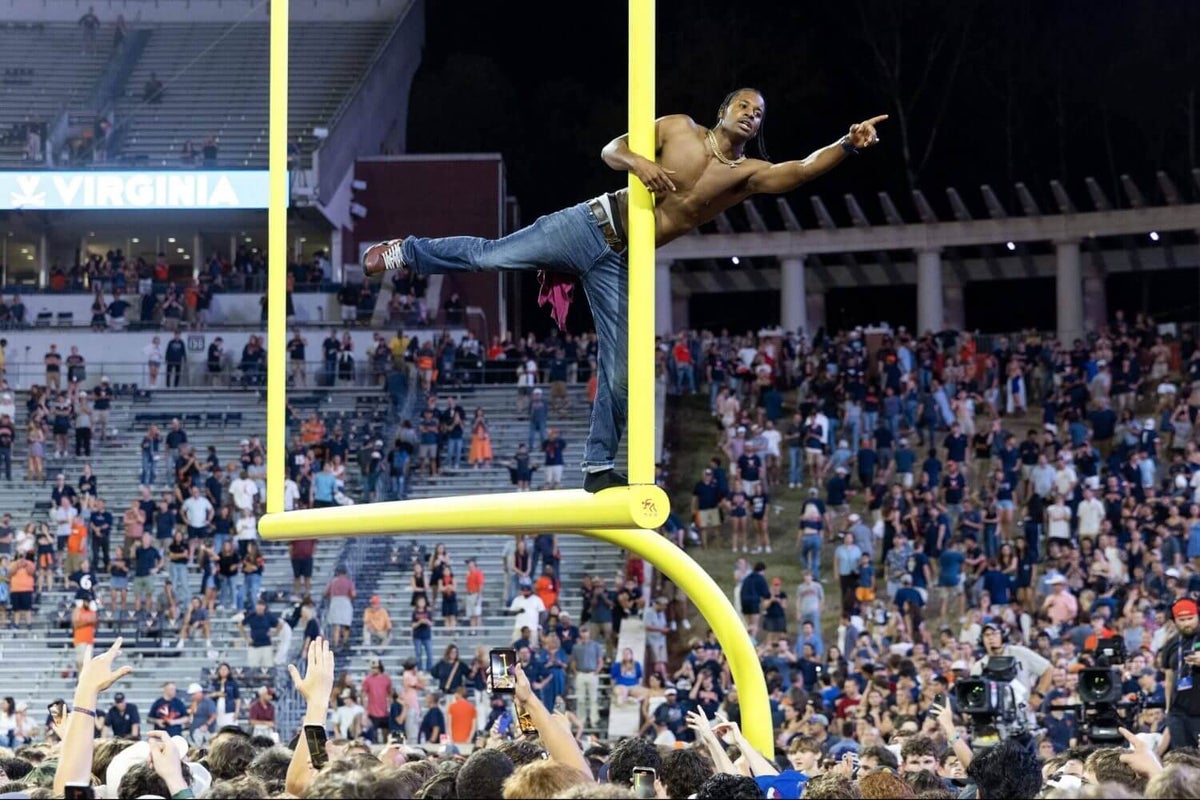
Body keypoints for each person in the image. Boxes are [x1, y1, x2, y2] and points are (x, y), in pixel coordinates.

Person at [365, 89, 887, 492]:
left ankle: (597, 467)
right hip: (589, 224)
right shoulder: (680, 128)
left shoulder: (746, 174)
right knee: (491, 256)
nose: (752, 114)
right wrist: (641, 162)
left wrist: (846, 144)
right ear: (724, 110)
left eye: (760, 113)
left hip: (619, 261)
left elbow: (801, 170)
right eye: (744, 106)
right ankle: (404, 252)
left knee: (620, 370)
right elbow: (612, 148)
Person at [1162, 597, 1200, 752]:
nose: (1186, 623)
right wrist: (1168, 710)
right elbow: (1169, 679)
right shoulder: (1171, 644)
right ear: (1174, 621)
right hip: (1178, 713)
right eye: (1182, 620)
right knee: (1181, 757)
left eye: (1190, 618)